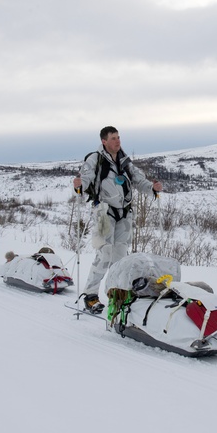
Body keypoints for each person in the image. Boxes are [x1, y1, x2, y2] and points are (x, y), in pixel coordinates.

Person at [72, 126, 163, 313]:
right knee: (104, 253)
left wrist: (152, 188)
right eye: (113, 138)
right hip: (104, 211)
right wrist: (79, 186)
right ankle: (90, 295)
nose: (117, 141)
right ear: (104, 141)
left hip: (125, 212)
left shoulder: (123, 159)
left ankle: (117, 295)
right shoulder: (95, 159)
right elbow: (86, 179)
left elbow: (138, 179)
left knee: (121, 257)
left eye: (118, 137)